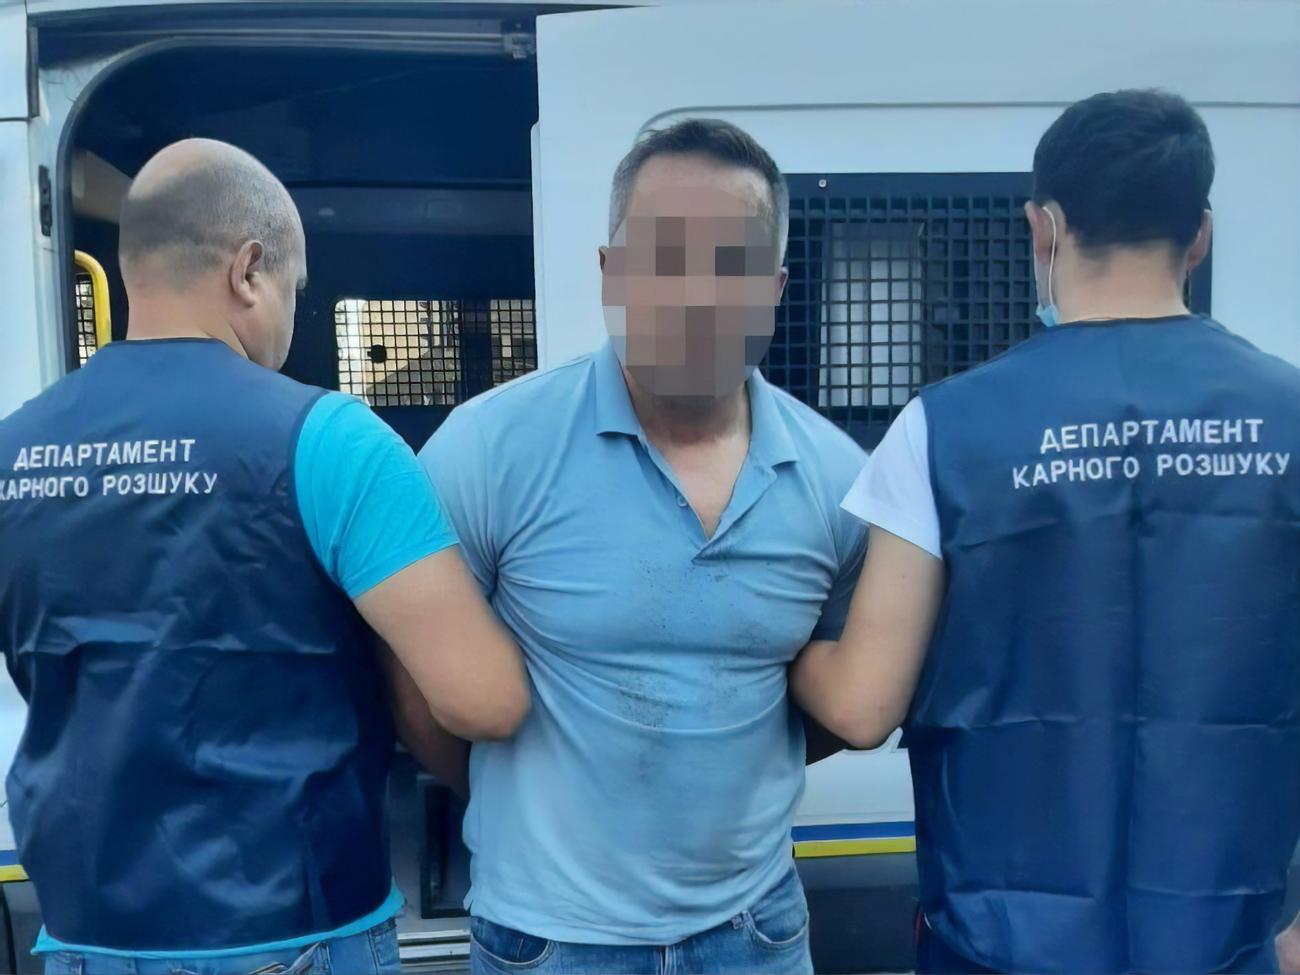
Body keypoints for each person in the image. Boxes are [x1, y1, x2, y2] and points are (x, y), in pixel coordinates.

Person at [793, 88, 1300, 974]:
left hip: (995, 948)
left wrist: (765, 634)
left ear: (1044, 227)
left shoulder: (944, 427)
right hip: (1220, 947)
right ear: (1200, 235)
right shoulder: (1290, 417)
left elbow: (863, 706)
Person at [0, 138, 530, 975]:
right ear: (248, 270)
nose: (292, 317)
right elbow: (484, 699)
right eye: (295, 288)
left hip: (85, 934)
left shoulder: (12, 450)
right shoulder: (330, 440)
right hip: (292, 928)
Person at [416, 118, 866, 975]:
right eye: (663, 256)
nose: (695, 293)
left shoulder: (836, 480)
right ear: (609, 271)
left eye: (730, 262)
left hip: (756, 934)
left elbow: (844, 694)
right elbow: (416, 688)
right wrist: (524, 802)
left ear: (774, 287)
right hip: (549, 941)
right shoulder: (490, 451)